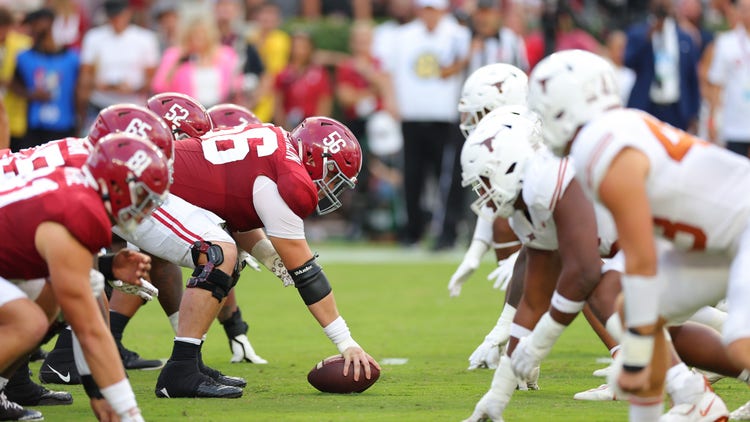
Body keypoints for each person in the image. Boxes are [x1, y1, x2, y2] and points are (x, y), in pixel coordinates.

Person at [527, 48, 750, 422]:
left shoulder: (601, 147)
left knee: (740, 344)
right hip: (717, 239)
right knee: (633, 311)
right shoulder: (612, 132)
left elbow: (642, 256)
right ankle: (695, 405)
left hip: (740, 228)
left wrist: (637, 355)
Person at [0, 133, 170, 422]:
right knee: (28, 321)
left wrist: (105, 267)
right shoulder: (80, 210)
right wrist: (128, 412)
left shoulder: (77, 186)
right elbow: (90, 329)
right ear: (116, 184)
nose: (143, 211)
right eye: (141, 196)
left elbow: (43, 251)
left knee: (50, 300)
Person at [77, 0, 159, 130]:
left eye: (119, 15)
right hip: (101, 103)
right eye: (112, 16)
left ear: (128, 13)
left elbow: (152, 77)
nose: (116, 20)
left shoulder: (145, 39)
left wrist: (135, 89)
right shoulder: (94, 37)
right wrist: (98, 85)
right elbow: (86, 73)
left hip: (133, 104)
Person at [624, 0, 701, 132]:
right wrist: (647, 37)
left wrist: (694, 114)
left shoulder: (684, 37)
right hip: (647, 106)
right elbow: (628, 61)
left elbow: (692, 77)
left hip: (676, 109)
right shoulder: (638, 33)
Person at [11, 8, 80, 151]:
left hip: (64, 127)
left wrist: (79, 122)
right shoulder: (24, 57)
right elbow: (14, 84)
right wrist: (31, 94)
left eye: (34, 24)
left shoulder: (72, 59)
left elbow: (78, 92)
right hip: (33, 129)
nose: (30, 30)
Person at [151, 13, 242, 108]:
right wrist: (177, 63)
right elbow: (158, 87)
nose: (198, 39)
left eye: (203, 34)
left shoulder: (226, 55)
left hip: (219, 109)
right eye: (194, 35)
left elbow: (237, 84)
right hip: (186, 111)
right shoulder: (174, 55)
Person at [706, 0, 750, 156]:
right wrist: (711, 119)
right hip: (735, 124)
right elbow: (716, 83)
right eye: (744, 9)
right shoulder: (726, 42)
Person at [273, 31, 332, 129]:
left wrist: (317, 127)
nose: (299, 51)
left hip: (312, 126)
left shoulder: (319, 74)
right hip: (288, 125)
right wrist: (283, 127)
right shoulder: (283, 74)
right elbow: (278, 105)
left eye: (303, 47)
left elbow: (325, 102)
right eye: (296, 46)